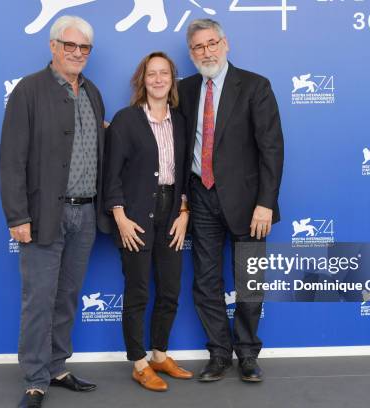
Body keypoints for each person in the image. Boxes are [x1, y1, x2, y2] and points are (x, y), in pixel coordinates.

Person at [0, 15, 110, 408]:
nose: (77, 53)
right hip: (44, 215)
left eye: (84, 48)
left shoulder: (93, 93)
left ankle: (58, 366)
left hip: (85, 216)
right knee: (38, 299)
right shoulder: (28, 91)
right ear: (53, 46)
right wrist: (18, 217)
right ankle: (35, 378)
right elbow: (11, 159)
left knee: (67, 297)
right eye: (70, 46)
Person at [178, 19, 284, 383]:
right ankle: (219, 354)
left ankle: (249, 355)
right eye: (198, 47)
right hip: (201, 196)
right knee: (205, 281)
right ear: (191, 53)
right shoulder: (186, 89)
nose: (206, 52)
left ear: (225, 44)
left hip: (249, 202)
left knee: (249, 280)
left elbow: (271, 148)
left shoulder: (255, 86)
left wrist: (266, 203)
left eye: (211, 44)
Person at [104, 52, 193, 392]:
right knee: (138, 290)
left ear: (172, 80)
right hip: (135, 214)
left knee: (170, 289)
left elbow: (185, 173)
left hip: (172, 212)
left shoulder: (181, 121)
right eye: (151, 74)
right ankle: (139, 363)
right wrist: (120, 218)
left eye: (164, 73)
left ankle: (159, 354)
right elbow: (111, 175)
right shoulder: (126, 120)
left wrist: (184, 213)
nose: (158, 79)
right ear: (142, 80)